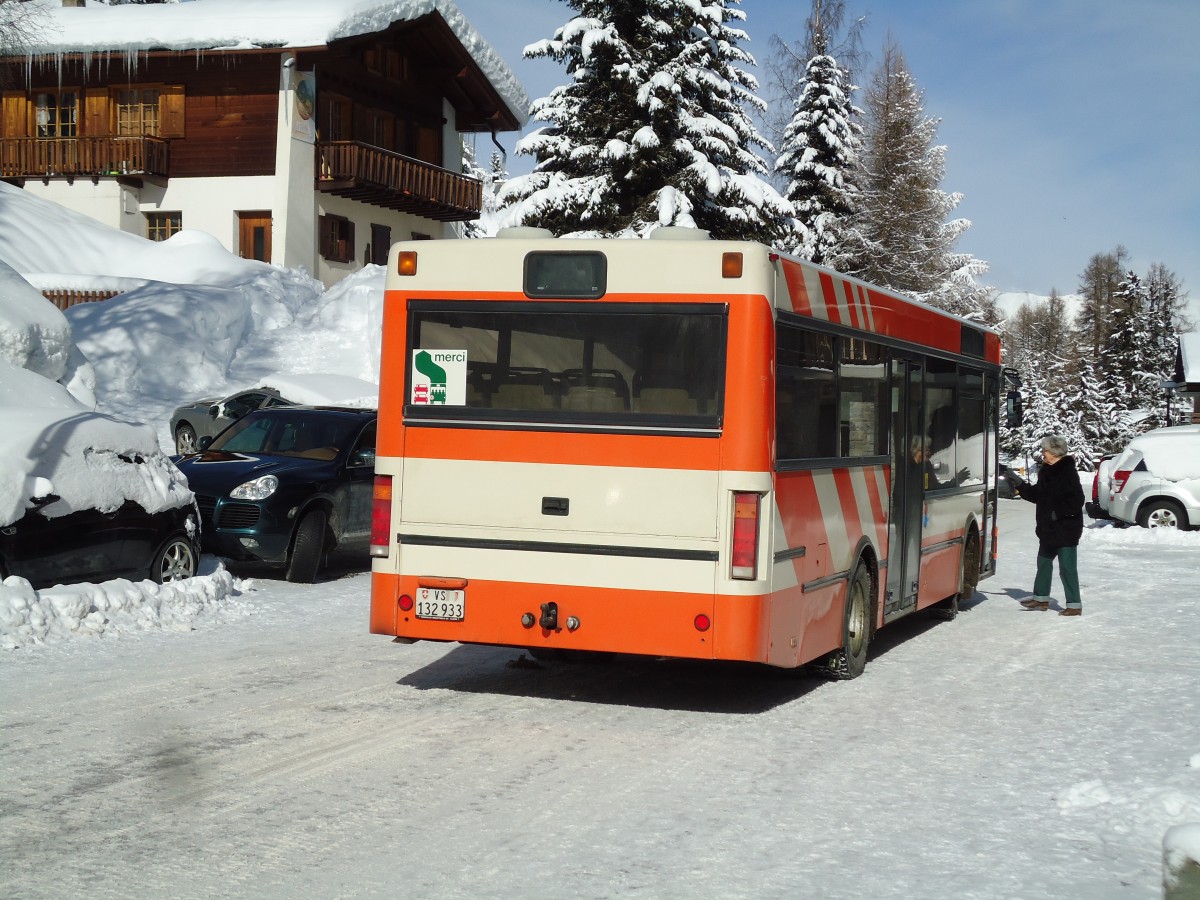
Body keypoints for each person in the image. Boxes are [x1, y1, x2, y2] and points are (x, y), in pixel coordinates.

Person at [1011, 434, 1085, 616]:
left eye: (1045, 450)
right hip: (1048, 529)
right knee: (1043, 562)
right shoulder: (1046, 470)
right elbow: (1038, 494)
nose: (1043, 453)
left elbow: (1077, 500)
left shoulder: (1067, 471)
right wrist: (1020, 485)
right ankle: (1041, 598)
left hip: (1065, 529)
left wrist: (1056, 513)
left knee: (1067, 568)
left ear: (1054, 452)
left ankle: (1074, 605)